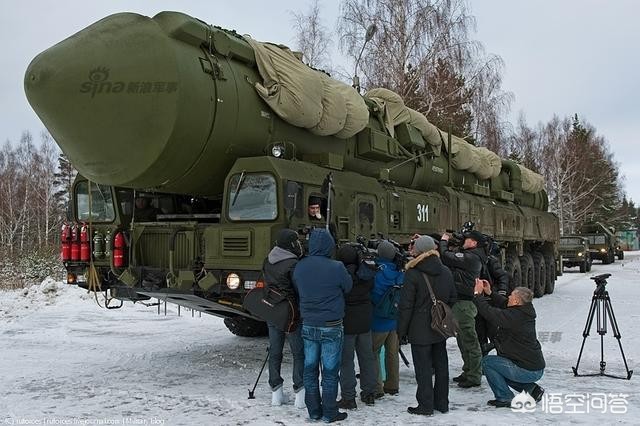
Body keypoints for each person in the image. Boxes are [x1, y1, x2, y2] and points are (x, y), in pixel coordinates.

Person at [293, 228, 352, 423]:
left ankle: (314, 411)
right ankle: (329, 412)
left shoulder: (300, 267)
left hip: (309, 324)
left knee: (310, 369)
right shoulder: (337, 267)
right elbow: (348, 286)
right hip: (332, 325)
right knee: (329, 371)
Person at [398, 235, 457, 416]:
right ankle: (442, 403)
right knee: (441, 365)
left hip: (419, 327)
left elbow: (406, 306)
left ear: (420, 251)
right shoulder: (445, 270)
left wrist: (401, 331)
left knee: (423, 369)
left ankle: (425, 405)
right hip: (439, 326)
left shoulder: (413, 273)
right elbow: (453, 298)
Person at [473, 281, 545, 407]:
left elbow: (491, 313)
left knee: (487, 362)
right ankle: (532, 390)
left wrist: (477, 295)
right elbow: (503, 303)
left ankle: (505, 398)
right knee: (499, 370)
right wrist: (490, 292)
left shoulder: (515, 316)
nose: (508, 298)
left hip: (528, 370)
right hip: (532, 367)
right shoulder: (524, 310)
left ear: (516, 301)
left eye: (511, 296)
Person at [262, 229, 306, 408]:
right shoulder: (293, 263)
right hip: (291, 313)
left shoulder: (268, 260)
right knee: (298, 352)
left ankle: (276, 393)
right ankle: (300, 394)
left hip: (273, 310)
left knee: (275, 351)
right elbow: (298, 289)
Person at [439, 229, 487, 388]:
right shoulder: (472, 255)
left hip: (464, 304)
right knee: (462, 340)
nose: (463, 241)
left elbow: (446, 256)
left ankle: (474, 376)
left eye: (467, 239)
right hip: (461, 303)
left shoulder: (472, 257)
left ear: (474, 243)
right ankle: (468, 370)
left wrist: (444, 241)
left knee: (470, 341)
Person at [336, 244, 377, 409]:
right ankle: (369, 393)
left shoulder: (340, 274)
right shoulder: (366, 273)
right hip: (365, 321)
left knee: (346, 361)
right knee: (367, 358)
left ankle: (348, 397)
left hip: (347, 322)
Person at [371, 240, 404, 397]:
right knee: (392, 352)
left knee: (374, 352)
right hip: (394, 319)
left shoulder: (377, 272)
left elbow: (373, 293)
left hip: (378, 319)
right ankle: (392, 384)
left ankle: (377, 387)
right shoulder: (399, 272)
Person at [476, 237, 509, 355]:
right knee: (480, 334)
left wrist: (501, 292)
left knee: (494, 333)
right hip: (479, 301)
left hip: (490, 300)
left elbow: (503, 276)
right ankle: (482, 361)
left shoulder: (490, 260)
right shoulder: (473, 259)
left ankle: (503, 357)